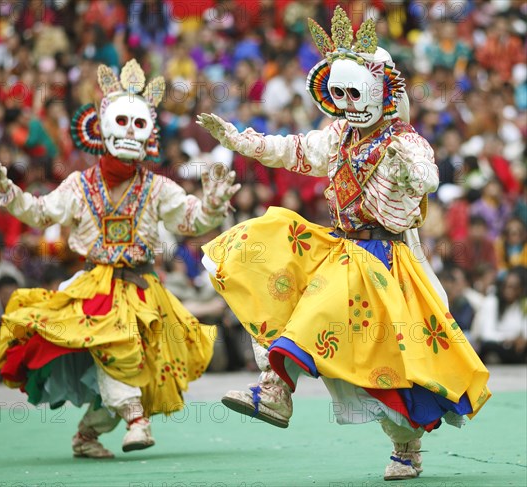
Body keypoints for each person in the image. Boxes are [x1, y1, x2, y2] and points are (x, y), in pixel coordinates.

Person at [198, 7, 490, 481]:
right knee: (266, 248)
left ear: (380, 91)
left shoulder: (405, 140)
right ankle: (275, 386)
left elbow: (429, 177)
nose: (348, 101)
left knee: (393, 368)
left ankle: (404, 448)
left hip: (385, 261)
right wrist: (239, 140)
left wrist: (408, 171)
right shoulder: (339, 136)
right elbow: (292, 150)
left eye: (357, 91)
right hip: (342, 250)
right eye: (339, 92)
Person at [0, 60, 239, 458]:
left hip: (141, 288)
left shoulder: (157, 187)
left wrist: (214, 205)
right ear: (99, 127)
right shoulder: (79, 185)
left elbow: (192, 219)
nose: (130, 132)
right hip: (95, 288)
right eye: (123, 121)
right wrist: (6, 190)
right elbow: (41, 213)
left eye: (139, 124)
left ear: (149, 131)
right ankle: (136, 420)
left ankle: (87, 435)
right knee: (116, 350)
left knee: (143, 365)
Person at [472, 267, 527, 364]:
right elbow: (487, 334)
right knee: (489, 347)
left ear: (520, 289)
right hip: (493, 345)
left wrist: (522, 340)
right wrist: (508, 339)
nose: (508, 291)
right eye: (506, 286)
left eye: (513, 287)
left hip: (512, 348)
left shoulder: (522, 305)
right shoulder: (491, 301)